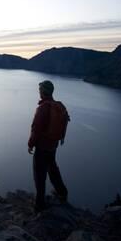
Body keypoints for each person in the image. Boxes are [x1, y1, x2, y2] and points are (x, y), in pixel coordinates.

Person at [28, 80, 70, 213]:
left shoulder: (43, 107)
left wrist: (30, 144)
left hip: (42, 146)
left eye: (40, 90)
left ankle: (39, 204)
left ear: (43, 91)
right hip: (53, 144)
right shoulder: (59, 106)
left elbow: (36, 128)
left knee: (39, 175)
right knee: (52, 169)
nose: (39, 92)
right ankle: (62, 192)